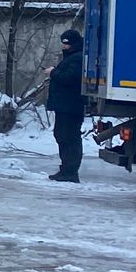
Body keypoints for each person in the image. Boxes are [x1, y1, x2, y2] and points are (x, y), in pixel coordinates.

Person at [46, 28, 86, 183]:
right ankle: (66, 169)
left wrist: (53, 72)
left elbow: (70, 79)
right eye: (62, 43)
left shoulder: (76, 58)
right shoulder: (73, 57)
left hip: (71, 106)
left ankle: (70, 171)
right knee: (62, 135)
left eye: (66, 43)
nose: (63, 46)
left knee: (68, 137)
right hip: (66, 106)